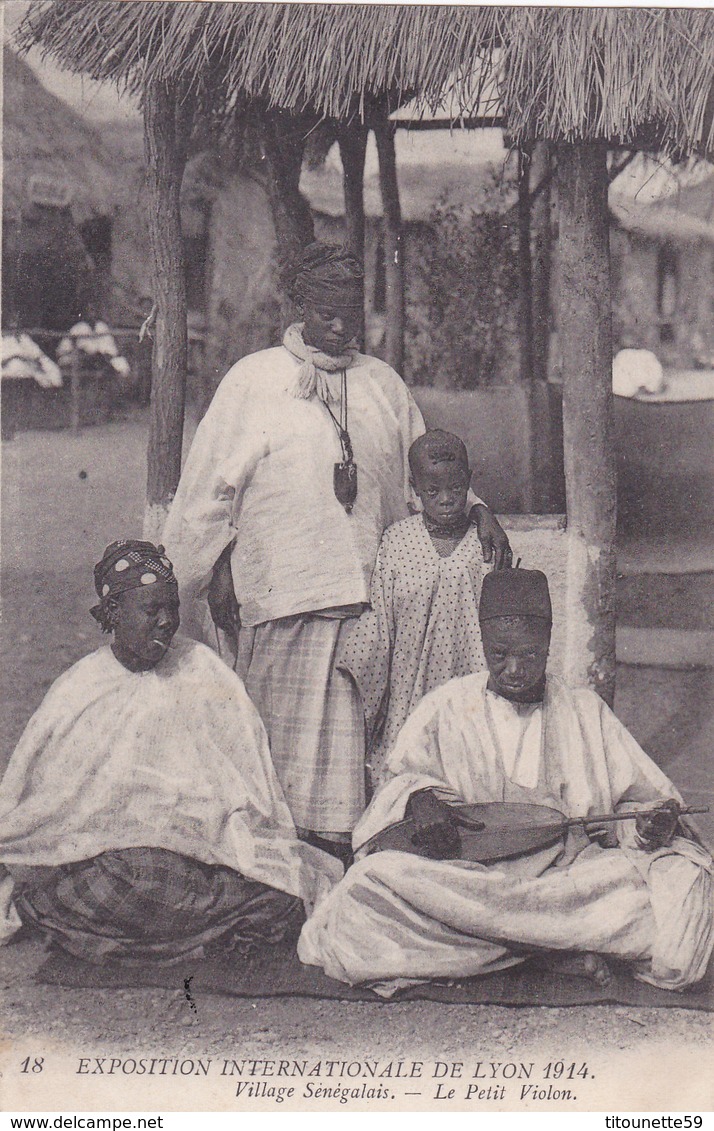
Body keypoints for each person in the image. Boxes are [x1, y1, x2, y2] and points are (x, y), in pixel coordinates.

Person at [162, 242, 511, 859]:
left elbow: (425, 473)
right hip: (282, 593)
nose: (342, 326)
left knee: (361, 744)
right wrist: (213, 566)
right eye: (327, 313)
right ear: (299, 307)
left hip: (367, 601)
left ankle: (353, 849)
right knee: (279, 756)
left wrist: (477, 507)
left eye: (352, 311)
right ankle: (279, 849)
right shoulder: (253, 379)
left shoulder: (382, 384)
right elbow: (208, 490)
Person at [299, 568, 713, 996]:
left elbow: (639, 803)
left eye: (530, 656)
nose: (514, 669)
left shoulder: (585, 711)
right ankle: (551, 949)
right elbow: (397, 782)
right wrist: (417, 798)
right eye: (499, 655)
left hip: (565, 881)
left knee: (677, 890)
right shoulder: (446, 705)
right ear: (482, 643)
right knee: (369, 885)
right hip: (464, 879)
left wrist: (643, 826)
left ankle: (513, 949)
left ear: (549, 646)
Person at [0, 541, 340, 964]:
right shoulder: (81, 688)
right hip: (117, 861)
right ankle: (194, 938)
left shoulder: (202, 667)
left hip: (201, 851)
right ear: (113, 615)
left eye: (172, 609)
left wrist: (203, 824)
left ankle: (135, 940)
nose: (165, 622)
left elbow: (248, 775)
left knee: (282, 895)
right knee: (130, 879)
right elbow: (46, 802)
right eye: (151, 611)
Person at [337, 430, 488, 786]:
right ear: (414, 488)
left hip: (469, 681)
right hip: (409, 683)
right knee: (407, 764)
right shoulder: (397, 540)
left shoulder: (483, 544)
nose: (447, 500)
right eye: (433, 492)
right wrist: (357, 666)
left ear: (468, 481)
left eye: (455, 489)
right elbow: (381, 619)